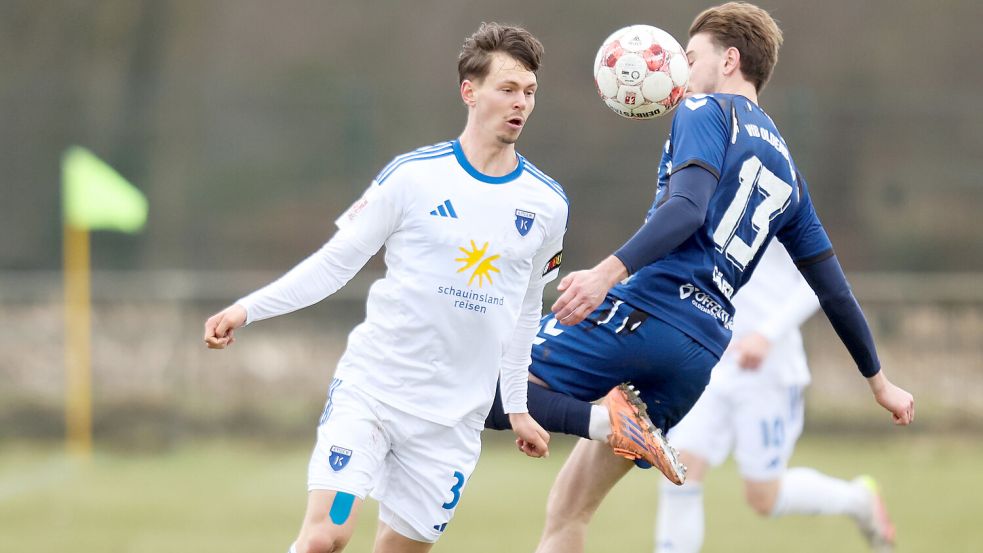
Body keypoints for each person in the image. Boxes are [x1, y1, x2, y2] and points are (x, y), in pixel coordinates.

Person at [492, 4, 914, 553]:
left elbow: (687, 210)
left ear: (730, 59)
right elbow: (832, 287)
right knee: (568, 511)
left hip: (644, 314)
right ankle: (616, 423)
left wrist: (605, 272)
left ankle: (606, 423)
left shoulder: (704, 110)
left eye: (690, 58)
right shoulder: (789, 172)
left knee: (496, 390)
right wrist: (879, 382)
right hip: (699, 355)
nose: (682, 71)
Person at [202, 22, 579, 553]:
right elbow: (336, 264)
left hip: (453, 422)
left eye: (530, 92)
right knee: (326, 536)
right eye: (508, 88)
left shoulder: (547, 204)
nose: (521, 103)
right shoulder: (412, 177)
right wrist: (248, 309)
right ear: (470, 92)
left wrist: (516, 406)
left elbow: (525, 310)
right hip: (375, 393)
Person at [654, 241, 896, 552]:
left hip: (770, 370)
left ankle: (857, 501)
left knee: (763, 497)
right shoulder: (690, 198)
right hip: (710, 360)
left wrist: (767, 334)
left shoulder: (780, 195)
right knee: (679, 469)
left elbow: (818, 282)